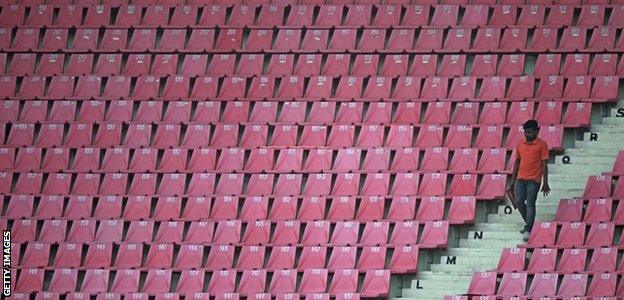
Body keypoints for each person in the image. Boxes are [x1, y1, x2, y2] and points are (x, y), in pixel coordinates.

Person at [509, 119, 551, 242]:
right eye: (526, 132)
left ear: (537, 132)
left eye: (530, 132)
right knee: (518, 202)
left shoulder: (542, 145)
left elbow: (544, 164)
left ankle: (528, 228)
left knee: (531, 203)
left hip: (534, 180)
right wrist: (512, 180)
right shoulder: (520, 144)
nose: (528, 135)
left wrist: (545, 182)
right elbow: (517, 162)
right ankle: (528, 223)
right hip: (520, 178)